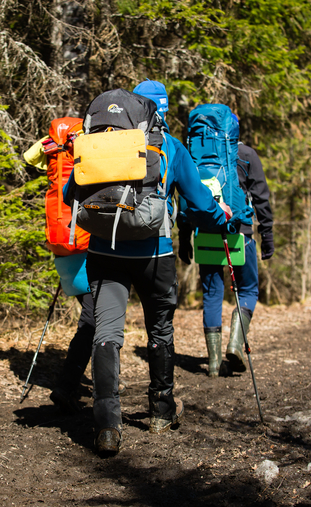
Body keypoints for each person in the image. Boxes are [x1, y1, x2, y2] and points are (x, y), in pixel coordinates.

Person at [65, 81, 232, 455]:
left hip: (105, 253)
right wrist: (222, 219)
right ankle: (160, 411)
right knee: (159, 328)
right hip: (155, 255)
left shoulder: (100, 142)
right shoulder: (168, 147)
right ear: (160, 111)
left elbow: (68, 193)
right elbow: (200, 202)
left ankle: (107, 425)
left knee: (106, 333)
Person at [178, 131, 274, 377]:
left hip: (205, 230)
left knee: (212, 294)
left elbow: (186, 196)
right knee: (249, 290)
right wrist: (267, 236)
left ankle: (213, 362)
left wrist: (184, 239)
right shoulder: (246, 155)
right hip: (239, 232)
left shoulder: (192, 156)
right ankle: (234, 343)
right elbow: (261, 198)